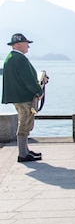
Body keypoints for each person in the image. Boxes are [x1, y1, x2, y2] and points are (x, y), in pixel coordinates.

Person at [2, 33, 47, 162]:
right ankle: (23, 153)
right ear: (18, 44)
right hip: (24, 97)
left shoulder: (11, 58)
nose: (28, 46)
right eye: (26, 43)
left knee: (25, 123)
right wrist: (39, 91)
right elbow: (27, 79)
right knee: (25, 124)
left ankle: (25, 151)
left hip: (18, 96)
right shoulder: (19, 58)